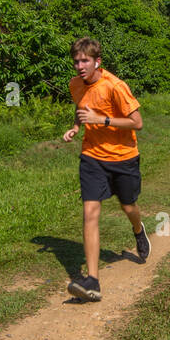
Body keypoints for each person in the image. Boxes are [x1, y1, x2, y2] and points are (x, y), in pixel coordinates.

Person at [61, 37, 149, 301]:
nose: (79, 66)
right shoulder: (75, 84)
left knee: (128, 206)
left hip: (123, 157)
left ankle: (138, 230)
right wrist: (77, 127)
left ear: (97, 61)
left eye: (85, 60)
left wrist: (103, 119)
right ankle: (92, 281)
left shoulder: (115, 86)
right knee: (90, 212)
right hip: (92, 156)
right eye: (76, 61)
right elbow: (82, 107)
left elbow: (138, 122)